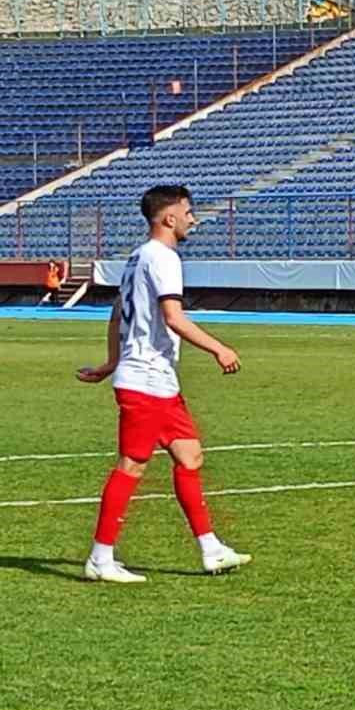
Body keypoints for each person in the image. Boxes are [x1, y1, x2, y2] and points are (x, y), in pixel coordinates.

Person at [75, 185, 250, 583]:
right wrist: (218, 348)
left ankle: (211, 549)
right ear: (168, 218)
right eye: (188, 211)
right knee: (132, 466)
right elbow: (173, 317)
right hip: (146, 381)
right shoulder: (165, 258)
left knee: (190, 456)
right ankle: (101, 558)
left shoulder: (137, 258)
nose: (193, 218)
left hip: (158, 382)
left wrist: (110, 364)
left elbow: (118, 314)